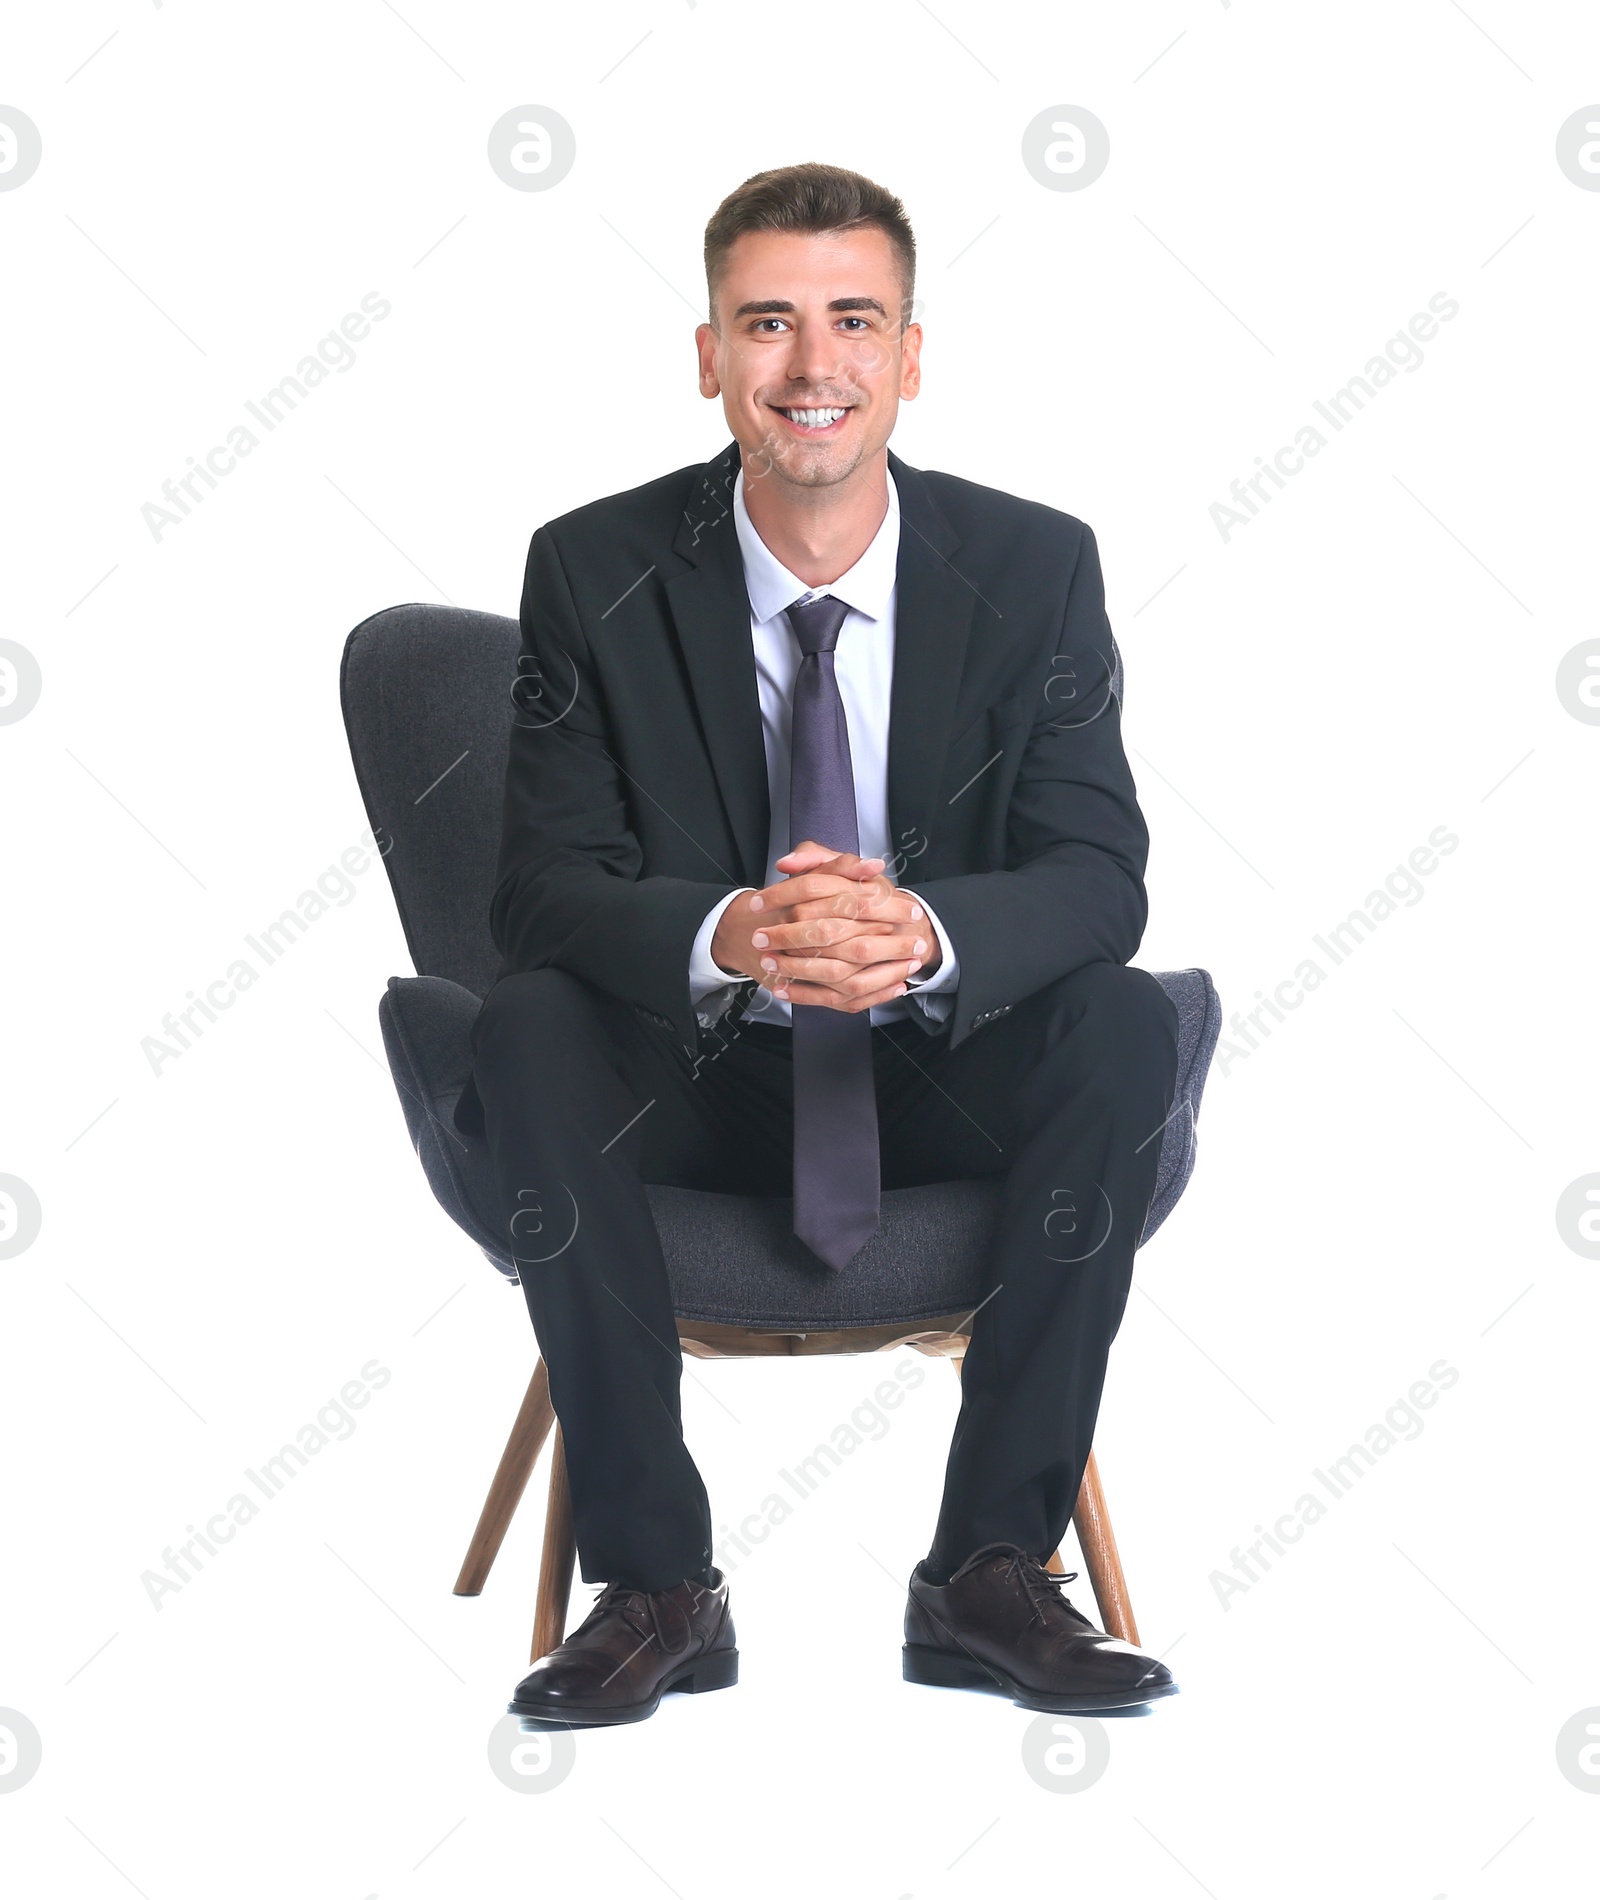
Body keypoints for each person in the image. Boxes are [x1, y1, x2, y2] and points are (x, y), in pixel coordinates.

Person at [456, 162, 1181, 1726]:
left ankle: (990, 1574)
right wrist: (736, 932)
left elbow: (1100, 872)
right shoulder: (590, 567)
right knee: (520, 1017)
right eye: (767, 322)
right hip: (693, 1083)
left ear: (912, 354)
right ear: (707, 354)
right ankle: (655, 1587)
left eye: (854, 319)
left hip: (936, 1073)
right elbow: (538, 892)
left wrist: (920, 934)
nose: (812, 366)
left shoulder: (1037, 564)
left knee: (1122, 1020)